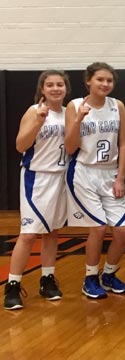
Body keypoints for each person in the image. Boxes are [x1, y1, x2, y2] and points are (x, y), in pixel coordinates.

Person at [4, 70, 71, 310]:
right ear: (42, 89)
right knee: (29, 233)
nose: (55, 88)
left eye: (60, 84)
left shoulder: (69, 113)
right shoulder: (34, 111)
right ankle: (12, 285)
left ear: (66, 88)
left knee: (52, 232)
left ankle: (47, 279)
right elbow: (20, 145)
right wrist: (38, 122)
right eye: (50, 85)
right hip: (37, 177)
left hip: (61, 178)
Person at [65, 62, 125, 299]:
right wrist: (78, 120)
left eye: (109, 80)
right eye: (100, 79)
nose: (105, 84)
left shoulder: (118, 106)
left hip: (111, 173)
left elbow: (124, 144)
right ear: (88, 81)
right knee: (99, 228)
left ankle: (109, 274)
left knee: (123, 231)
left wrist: (121, 177)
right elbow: (70, 146)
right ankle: (90, 278)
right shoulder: (75, 106)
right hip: (84, 171)